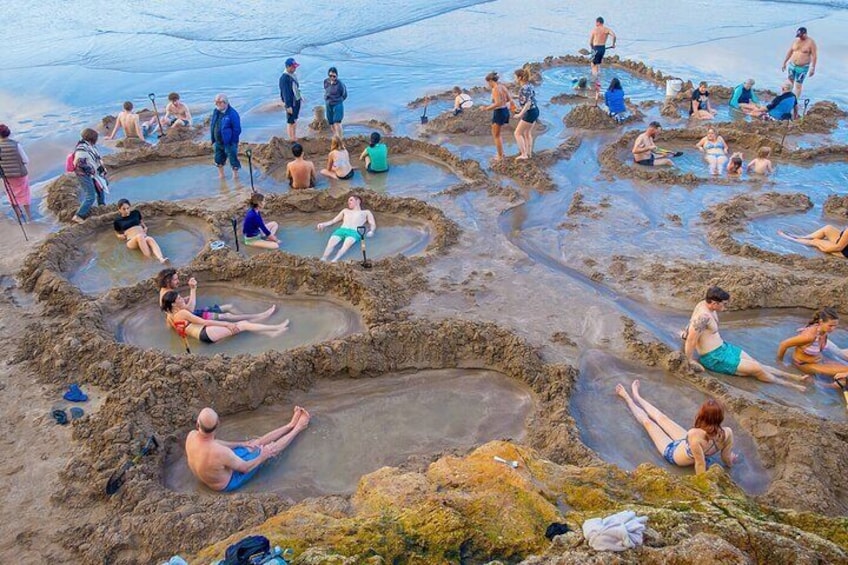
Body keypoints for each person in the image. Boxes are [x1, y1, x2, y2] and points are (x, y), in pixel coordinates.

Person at [684, 286, 808, 390]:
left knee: (755, 363)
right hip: (714, 358)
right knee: (757, 369)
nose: (726, 307)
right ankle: (790, 385)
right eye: (724, 304)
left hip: (723, 347)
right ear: (714, 303)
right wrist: (690, 360)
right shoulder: (703, 317)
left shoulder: (704, 304)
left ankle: (792, 376)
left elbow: (690, 325)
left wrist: (683, 333)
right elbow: (691, 339)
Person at [616, 381, 736, 474]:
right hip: (685, 443)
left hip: (672, 453)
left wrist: (704, 486)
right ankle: (637, 397)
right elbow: (726, 458)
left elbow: (700, 465)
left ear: (702, 416)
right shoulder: (727, 433)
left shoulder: (694, 434)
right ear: (720, 418)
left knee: (648, 423)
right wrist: (730, 463)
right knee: (663, 418)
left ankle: (628, 398)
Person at [185, 406, 310, 492]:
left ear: (197, 425)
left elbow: (216, 443)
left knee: (254, 444)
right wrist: (263, 455)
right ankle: (299, 427)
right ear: (218, 424)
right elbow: (245, 468)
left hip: (215, 474)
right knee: (269, 449)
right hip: (228, 482)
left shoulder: (191, 436)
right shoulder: (220, 452)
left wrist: (242, 444)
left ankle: (290, 425)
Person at [161, 290, 289, 344]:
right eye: (179, 298)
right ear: (173, 303)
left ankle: (272, 334)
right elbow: (204, 321)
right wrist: (226, 324)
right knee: (243, 324)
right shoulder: (182, 313)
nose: (182, 299)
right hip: (205, 333)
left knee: (242, 325)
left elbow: (179, 331)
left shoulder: (171, 315)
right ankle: (276, 327)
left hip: (202, 335)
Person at [157, 268, 274, 322]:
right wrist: (193, 290)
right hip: (192, 318)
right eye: (176, 280)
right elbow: (189, 310)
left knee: (230, 306)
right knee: (227, 315)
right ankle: (259, 317)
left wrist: (183, 299)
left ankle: (249, 319)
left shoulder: (164, 291)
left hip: (189, 316)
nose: (178, 281)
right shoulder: (169, 293)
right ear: (168, 282)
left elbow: (171, 310)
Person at [777, 308, 848, 381]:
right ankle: (824, 385)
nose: (833, 329)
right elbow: (783, 344)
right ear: (821, 322)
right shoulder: (809, 336)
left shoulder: (823, 331)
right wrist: (780, 363)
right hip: (805, 365)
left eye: (835, 326)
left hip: (819, 361)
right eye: (830, 326)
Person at [317, 194, 376, 262]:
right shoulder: (345, 210)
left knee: (345, 247)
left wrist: (372, 231)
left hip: (354, 232)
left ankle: (334, 260)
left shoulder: (366, 212)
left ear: (358, 201)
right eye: (348, 201)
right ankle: (323, 258)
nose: (349, 202)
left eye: (351, 200)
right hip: (341, 230)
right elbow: (333, 221)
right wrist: (323, 224)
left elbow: (372, 223)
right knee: (330, 244)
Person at [70, 128, 108, 224]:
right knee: (90, 195)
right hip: (84, 175)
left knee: (100, 188)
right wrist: (92, 171)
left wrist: (100, 169)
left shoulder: (89, 146)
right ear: (92, 139)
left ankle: (102, 207)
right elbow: (79, 163)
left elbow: (96, 158)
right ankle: (78, 215)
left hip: (93, 173)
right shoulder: (81, 149)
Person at [113, 199, 168, 263]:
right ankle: (149, 259)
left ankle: (161, 259)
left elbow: (141, 222)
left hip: (143, 237)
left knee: (150, 239)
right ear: (119, 209)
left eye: (128, 208)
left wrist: (145, 227)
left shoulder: (136, 213)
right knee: (139, 236)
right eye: (124, 209)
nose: (127, 211)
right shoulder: (117, 220)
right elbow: (116, 232)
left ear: (130, 207)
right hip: (131, 241)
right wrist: (119, 236)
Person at [0, 124, 32, 222]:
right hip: (20, 174)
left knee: (11, 195)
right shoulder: (16, 144)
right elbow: (26, 160)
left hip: (6, 176)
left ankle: (19, 216)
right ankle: (29, 217)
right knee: (25, 194)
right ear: (8, 133)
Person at [483, 71, 515, 162]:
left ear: (490, 81)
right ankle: (501, 154)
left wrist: (486, 108)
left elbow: (497, 103)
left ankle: (500, 156)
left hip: (499, 112)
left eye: (487, 83)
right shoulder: (502, 87)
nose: (488, 85)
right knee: (498, 134)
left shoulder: (495, 89)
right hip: (505, 111)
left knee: (496, 135)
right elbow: (509, 99)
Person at [210, 94, 241, 180]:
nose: (217, 105)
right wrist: (213, 138)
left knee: (233, 159)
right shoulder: (216, 111)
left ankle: (235, 177)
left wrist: (232, 141)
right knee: (218, 159)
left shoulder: (232, 114)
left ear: (225, 103)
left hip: (229, 143)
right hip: (218, 141)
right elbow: (213, 124)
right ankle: (221, 176)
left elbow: (237, 129)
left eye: (219, 103)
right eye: (215, 103)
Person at [781, 27, 817, 98]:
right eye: (798, 36)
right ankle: (787, 98)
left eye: (801, 35)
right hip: (792, 65)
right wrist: (784, 62)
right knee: (789, 83)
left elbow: (814, 56)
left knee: (798, 85)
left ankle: (795, 101)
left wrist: (813, 68)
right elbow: (790, 51)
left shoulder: (811, 42)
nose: (799, 37)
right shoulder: (796, 41)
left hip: (802, 67)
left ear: (805, 34)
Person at [513, 68, 539, 160]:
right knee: (527, 133)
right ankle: (529, 153)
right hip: (535, 110)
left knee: (517, 133)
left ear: (520, 78)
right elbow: (530, 98)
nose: (514, 79)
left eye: (515, 77)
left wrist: (520, 114)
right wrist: (516, 96)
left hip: (530, 112)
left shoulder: (523, 88)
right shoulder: (529, 85)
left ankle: (524, 154)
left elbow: (527, 104)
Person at [777, 224, 848, 257]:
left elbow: (838, 247)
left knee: (815, 241)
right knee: (828, 228)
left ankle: (792, 239)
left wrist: (821, 246)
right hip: (843, 244)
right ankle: (804, 237)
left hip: (842, 252)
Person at [280, 57, 302, 141]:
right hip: (291, 103)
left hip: (296, 100)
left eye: (295, 66)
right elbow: (285, 93)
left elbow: (295, 88)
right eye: (293, 67)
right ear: (288, 67)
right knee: (290, 121)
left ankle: (294, 136)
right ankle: (291, 138)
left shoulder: (293, 75)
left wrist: (300, 97)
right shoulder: (284, 78)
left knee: (295, 118)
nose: (295, 68)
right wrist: (288, 105)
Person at [323, 66, 347, 139]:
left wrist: (339, 100)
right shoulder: (326, 82)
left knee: (337, 121)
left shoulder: (340, 84)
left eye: (334, 76)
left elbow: (344, 94)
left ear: (336, 75)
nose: (332, 78)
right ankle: (335, 136)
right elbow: (326, 90)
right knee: (331, 122)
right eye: (330, 76)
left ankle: (340, 138)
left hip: (337, 103)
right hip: (328, 103)